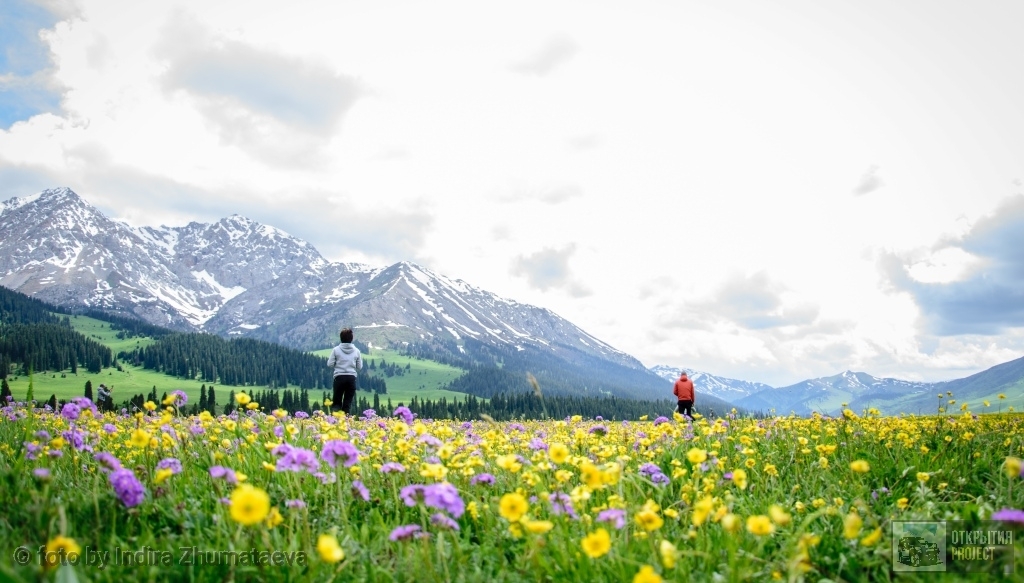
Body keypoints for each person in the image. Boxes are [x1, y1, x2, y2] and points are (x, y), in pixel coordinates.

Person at [327, 327, 363, 415]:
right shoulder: (357, 351)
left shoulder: (336, 350)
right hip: (351, 378)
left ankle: (335, 423)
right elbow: (359, 367)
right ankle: (346, 424)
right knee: (347, 403)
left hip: (339, 377)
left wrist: (339, 365)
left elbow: (330, 364)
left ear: (341, 338)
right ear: (351, 338)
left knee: (337, 402)